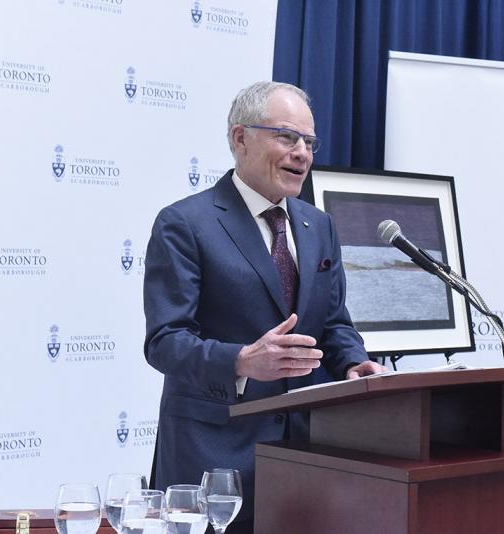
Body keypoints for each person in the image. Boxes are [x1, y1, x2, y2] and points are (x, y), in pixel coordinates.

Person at [143, 81, 384, 534]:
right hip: (212, 459)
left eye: (309, 142)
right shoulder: (185, 224)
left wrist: (353, 363)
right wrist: (241, 360)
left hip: (305, 458)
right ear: (241, 139)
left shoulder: (319, 225)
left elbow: (333, 322)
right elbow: (165, 341)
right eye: (286, 137)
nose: (302, 154)